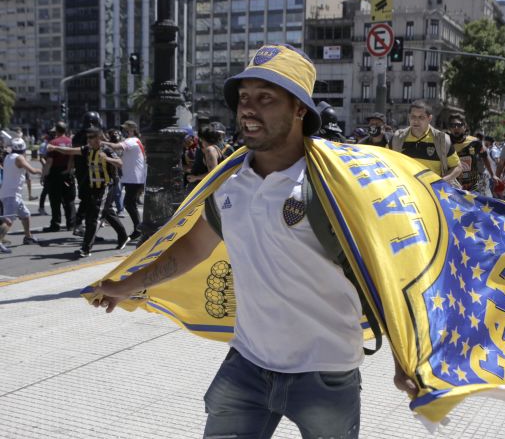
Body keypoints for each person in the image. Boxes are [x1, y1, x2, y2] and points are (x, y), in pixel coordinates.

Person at [91, 44, 416, 439]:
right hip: (247, 367)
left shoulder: (336, 187)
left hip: (325, 373)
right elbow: (194, 247)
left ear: (300, 109)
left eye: (266, 97)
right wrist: (124, 285)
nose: (248, 108)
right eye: (244, 97)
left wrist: (408, 357)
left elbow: (389, 271)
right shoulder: (230, 185)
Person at [48, 126, 129, 258]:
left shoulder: (106, 150)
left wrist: (107, 159)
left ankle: (86, 248)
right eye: (88, 138)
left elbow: (120, 163)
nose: (89, 140)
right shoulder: (87, 149)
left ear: (99, 138)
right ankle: (123, 236)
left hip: (106, 186)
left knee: (94, 217)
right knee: (108, 213)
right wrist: (55, 148)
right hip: (94, 187)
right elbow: (70, 151)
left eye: (91, 137)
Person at [389, 102, 461, 185]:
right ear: (409, 117)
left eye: (421, 117)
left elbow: (457, 167)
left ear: (429, 119)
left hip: (432, 193)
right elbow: (385, 162)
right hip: (406, 191)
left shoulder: (442, 140)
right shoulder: (397, 138)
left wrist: (441, 182)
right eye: (413, 117)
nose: (416, 121)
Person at [102, 121, 147, 240]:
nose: (124, 132)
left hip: (134, 178)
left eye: (126, 130)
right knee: (130, 203)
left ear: (131, 130)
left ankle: (139, 229)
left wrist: (102, 142)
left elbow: (116, 146)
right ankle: (138, 228)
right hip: (134, 177)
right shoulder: (136, 141)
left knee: (129, 203)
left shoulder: (131, 141)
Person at [0, 138, 41, 245]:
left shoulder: (8, 157)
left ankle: (28, 237)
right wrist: (43, 171)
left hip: (12, 194)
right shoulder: (19, 158)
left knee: (26, 215)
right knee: (8, 221)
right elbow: (32, 170)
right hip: (11, 195)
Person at [443, 113, 494, 193]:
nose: (456, 128)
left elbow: (485, 157)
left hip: (472, 186)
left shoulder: (475, 142)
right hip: (452, 186)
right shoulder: (445, 142)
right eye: (453, 125)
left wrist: (493, 175)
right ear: (449, 128)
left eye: (459, 125)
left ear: (465, 127)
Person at [72, 111, 104, 236]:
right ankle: (81, 225)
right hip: (89, 172)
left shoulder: (77, 136)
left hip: (83, 172)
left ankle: (83, 225)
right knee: (89, 200)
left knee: (87, 200)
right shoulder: (88, 137)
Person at [42, 122, 76, 232]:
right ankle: (71, 224)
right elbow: (73, 158)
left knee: (55, 200)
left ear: (56, 130)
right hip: (68, 172)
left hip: (55, 173)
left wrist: (44, 175)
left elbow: (49, 162)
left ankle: (55, 224)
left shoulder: (53, 143)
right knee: (69, 200)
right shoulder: (71, 142)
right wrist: (69, 170)